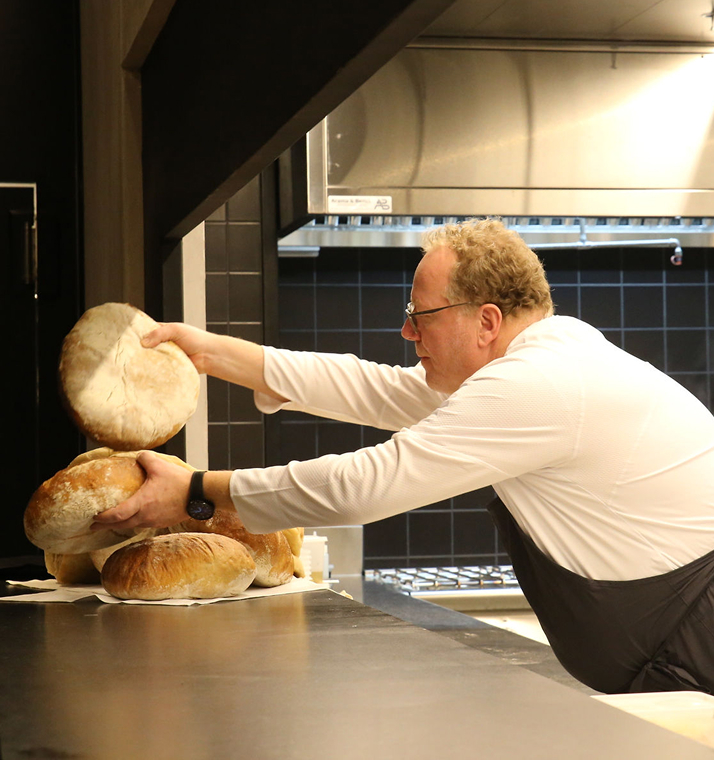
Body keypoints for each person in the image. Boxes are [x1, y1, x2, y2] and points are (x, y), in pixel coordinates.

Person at [92, 217, 714, 695]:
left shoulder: (540, 384)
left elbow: (371, 484)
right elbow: (378, 387)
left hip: (696, 640)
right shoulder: (545, 363)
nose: (408, 333)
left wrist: (197, 488)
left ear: (487, 321)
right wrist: (211, 353)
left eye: (421, 316)